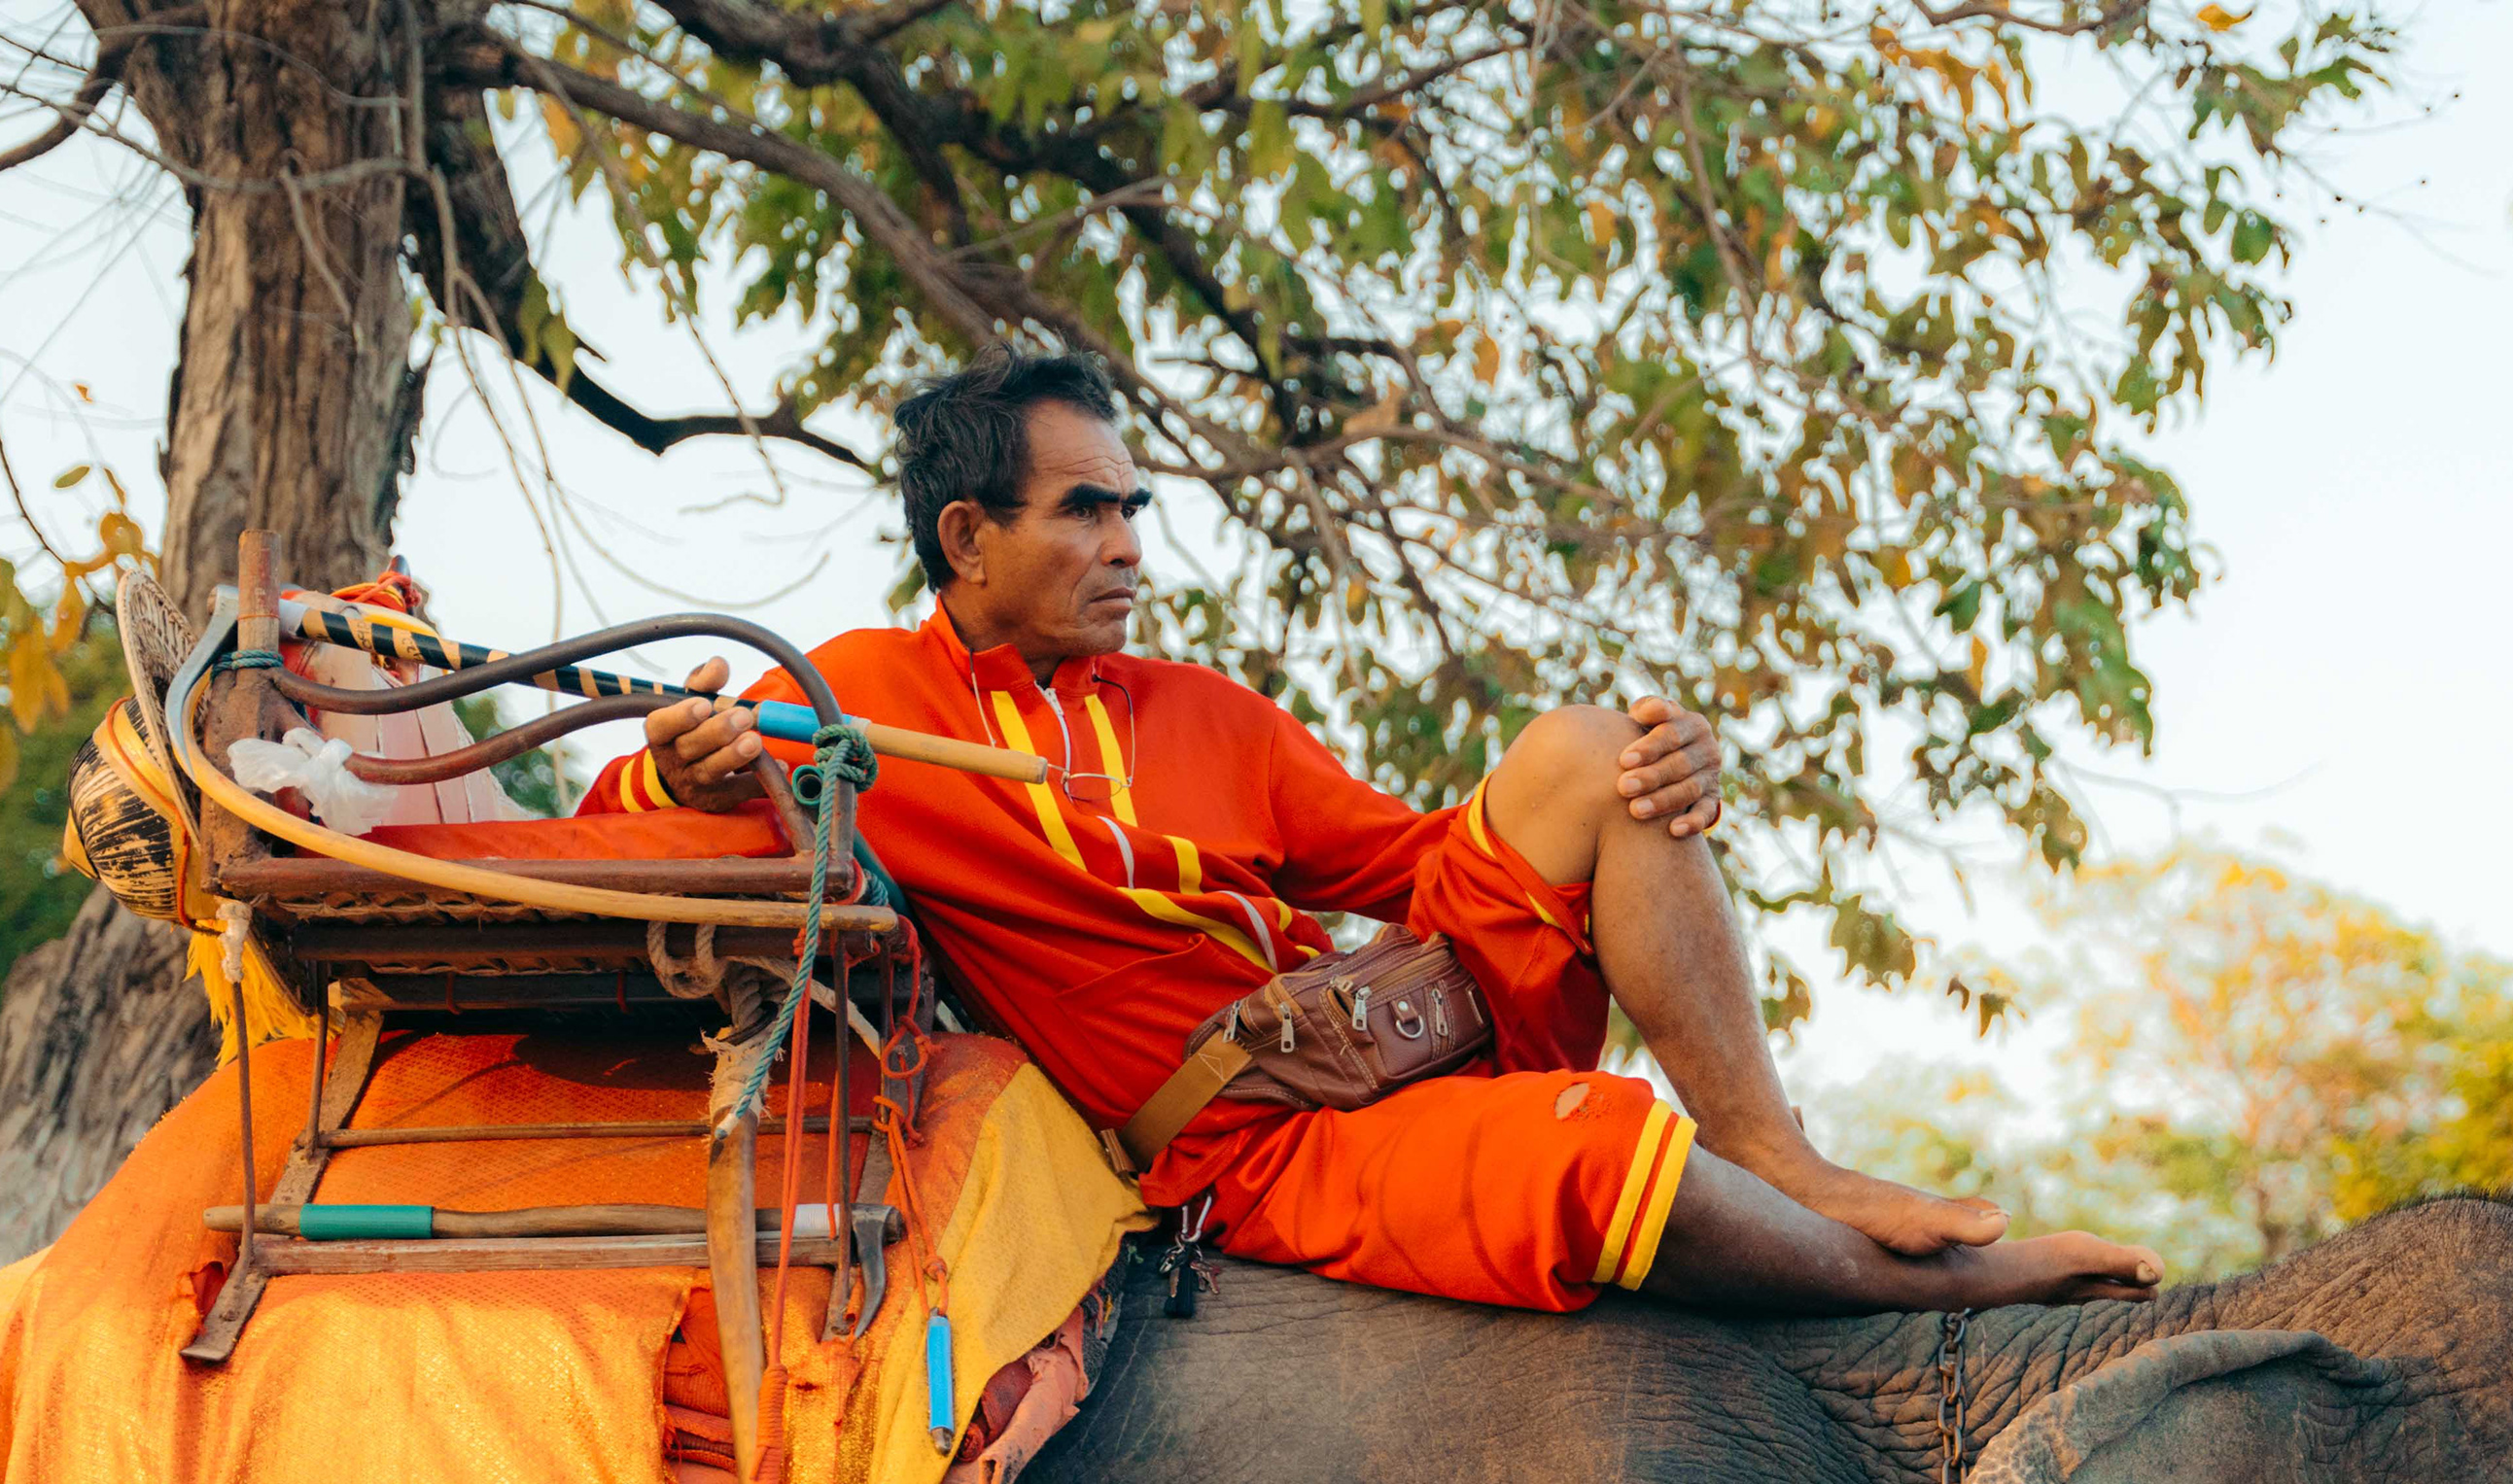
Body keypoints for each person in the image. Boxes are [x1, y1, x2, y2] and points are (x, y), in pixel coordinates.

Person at [592, 353, 2159, 1316]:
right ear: (967, 537)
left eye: (1135, 507)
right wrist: (695, 776)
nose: (1129, 545)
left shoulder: (1204, 709)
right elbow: (623, 826)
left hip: (1386, 1021)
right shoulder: (854, 703)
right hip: (1261, 1145)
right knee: (1599, 1155)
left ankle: (1773, 1144)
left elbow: (1421, 869)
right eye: (1084, 512)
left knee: (1591, 752)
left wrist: (1658, 782)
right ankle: (1929, 1291)